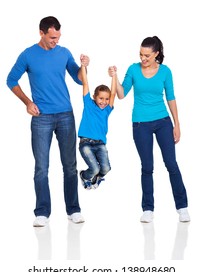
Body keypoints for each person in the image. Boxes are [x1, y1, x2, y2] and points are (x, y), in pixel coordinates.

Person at [6, 16, 90, 226]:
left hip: (65, 116)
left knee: (70, 166)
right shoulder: (28, 55)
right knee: (41, 167)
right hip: (41, 117)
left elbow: (78, 78)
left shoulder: (64, 53)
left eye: (58, 37)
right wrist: (27, 102)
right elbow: (11, 80)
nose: (56, 41)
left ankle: (73, 209)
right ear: (41, 33)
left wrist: (84, 66)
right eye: (52, 37)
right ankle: (42, 212)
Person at [108, 36, 190, 223]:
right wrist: (114, 77)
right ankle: (148, 209)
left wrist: (177, 124)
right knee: (147, 167)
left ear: (156, 54)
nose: (143, 58)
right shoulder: (133, 69)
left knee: (171, 164)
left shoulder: (165, 72)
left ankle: (182, 207)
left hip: (163, 121)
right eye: (141, 54)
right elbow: (121, 95)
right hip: (140, 123)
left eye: (147, 55)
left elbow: (171, 98)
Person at [78, 59, 117, 190]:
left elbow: (113, 93)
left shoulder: (107, 110)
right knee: (94, 168)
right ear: (94, 97)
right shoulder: (88, 104)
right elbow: (85, 84)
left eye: (106, 99)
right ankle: (84, 175)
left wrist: (114, 76)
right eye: (101, 98)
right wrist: (83, 66)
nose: (104, 101)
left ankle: (97, 177)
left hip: (100, 143)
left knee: (106, 168)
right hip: (86, 143)